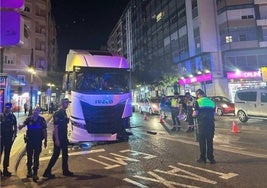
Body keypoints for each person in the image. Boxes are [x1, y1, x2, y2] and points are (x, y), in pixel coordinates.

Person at [43, 98, 73, 178]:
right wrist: (57, 139)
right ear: (62, 103)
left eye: (68, 103)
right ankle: (47, 171)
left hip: (63, 136)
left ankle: (65, 171)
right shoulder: (58, 113)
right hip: (59, 136)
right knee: (56, 155)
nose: (67, 104)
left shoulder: (64, 112)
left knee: (65, 154)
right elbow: (55, 127)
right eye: (66, 103)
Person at [18, 106, 47, 182]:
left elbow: (44, 131)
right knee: (29, 156)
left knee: (36, 157)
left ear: (39, 111)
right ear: (33, 111)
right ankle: (29, 171)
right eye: (35, 110)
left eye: (38, 110)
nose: (36, 111)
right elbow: (22, 125)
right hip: (30, 141)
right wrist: (20, 126)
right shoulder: (29, 119)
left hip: (38, 141)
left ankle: (35, 173)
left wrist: (45, 141)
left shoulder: (41, 120)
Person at [192, 89, 216, 164]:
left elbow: (195, 114)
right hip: (211, 124)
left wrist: (193, 115)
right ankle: (211, 158)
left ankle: (203, 158)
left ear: (198, 95)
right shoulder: (212, 102)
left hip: (202, 124)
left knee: (202, 142)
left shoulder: (198, 102)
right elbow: (214, 113)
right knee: (210, 141)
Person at [0, 102, 17, 177]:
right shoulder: (0, 116)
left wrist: (14, 135)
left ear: (10, 108)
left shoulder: (12, 116)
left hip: (9, 138)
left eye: (9, 107)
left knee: (7, 154)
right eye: (6, 107)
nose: (7, 109)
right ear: (4, 108)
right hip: (1, 138)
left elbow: (15, 126)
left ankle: (5, 169)